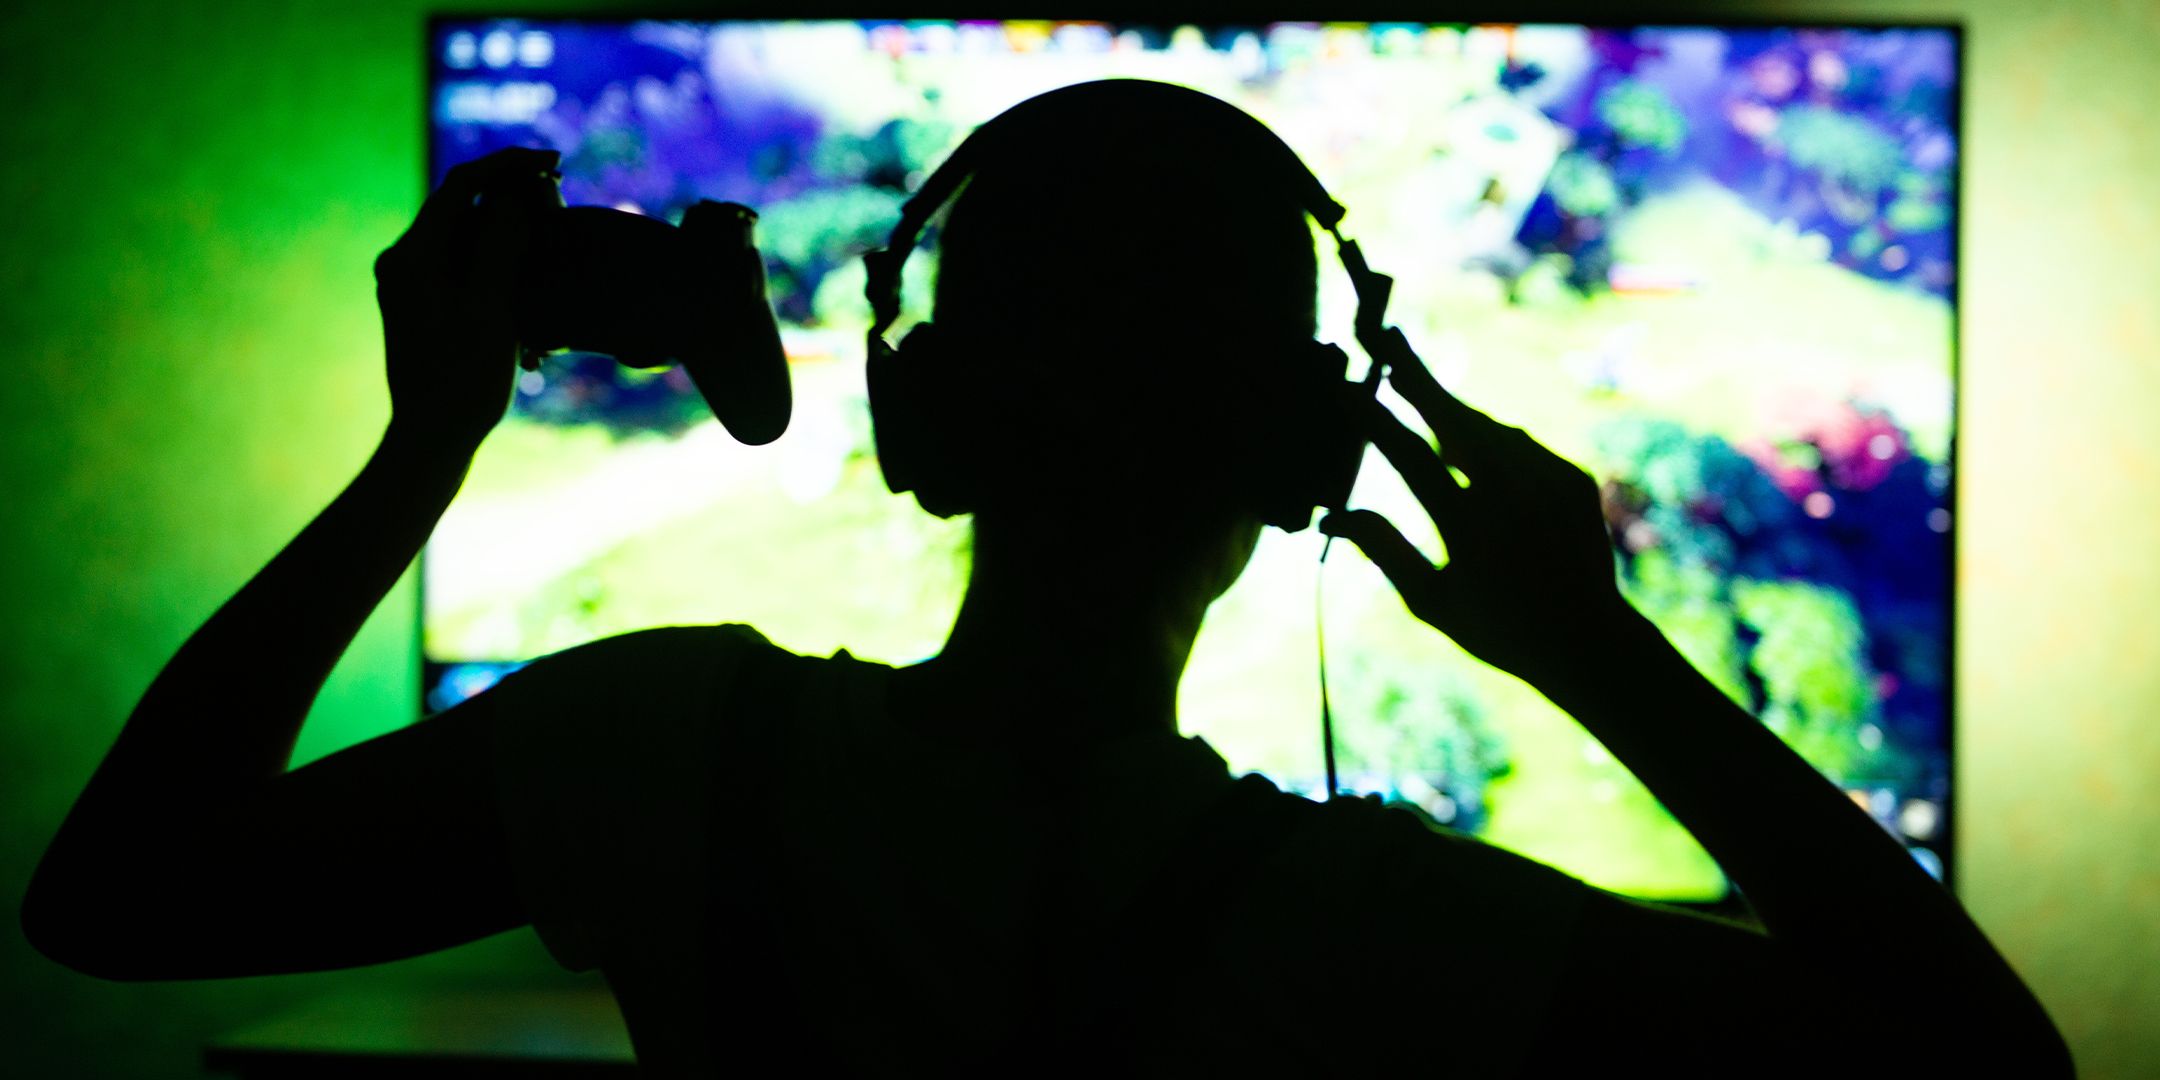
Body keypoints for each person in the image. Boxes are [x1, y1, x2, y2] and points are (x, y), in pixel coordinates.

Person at [24, 81, 2070, 1076]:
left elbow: (115, 902)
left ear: (923, 430)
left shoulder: (662, 747)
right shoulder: (1390, 935)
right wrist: (1596, 655)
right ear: (1297, 462)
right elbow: (1990, 1075)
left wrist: (424, 449)